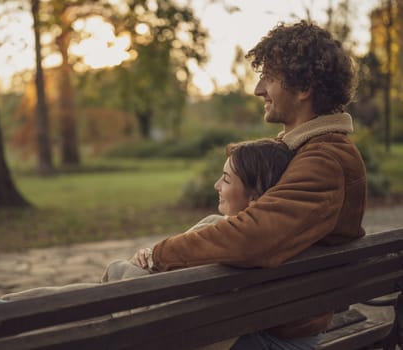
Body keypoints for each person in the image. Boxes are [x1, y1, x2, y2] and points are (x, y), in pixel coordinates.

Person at [131, 20, 367, 350]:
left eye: (269, 78)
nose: (258, 90)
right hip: (265, 313)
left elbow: (253, 237)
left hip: (272, 332)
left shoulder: (323, 160)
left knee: (117, 315)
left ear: (303, 89)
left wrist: (160, 255)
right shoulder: (307, 150)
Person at [0, 138, 294, 322]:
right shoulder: (266, 245)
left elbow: (139, 297)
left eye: (227, 179)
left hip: (117, 324)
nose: (217, 185)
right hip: (136, 319)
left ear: (256, 194)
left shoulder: (222, 234)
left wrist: (126, 266)